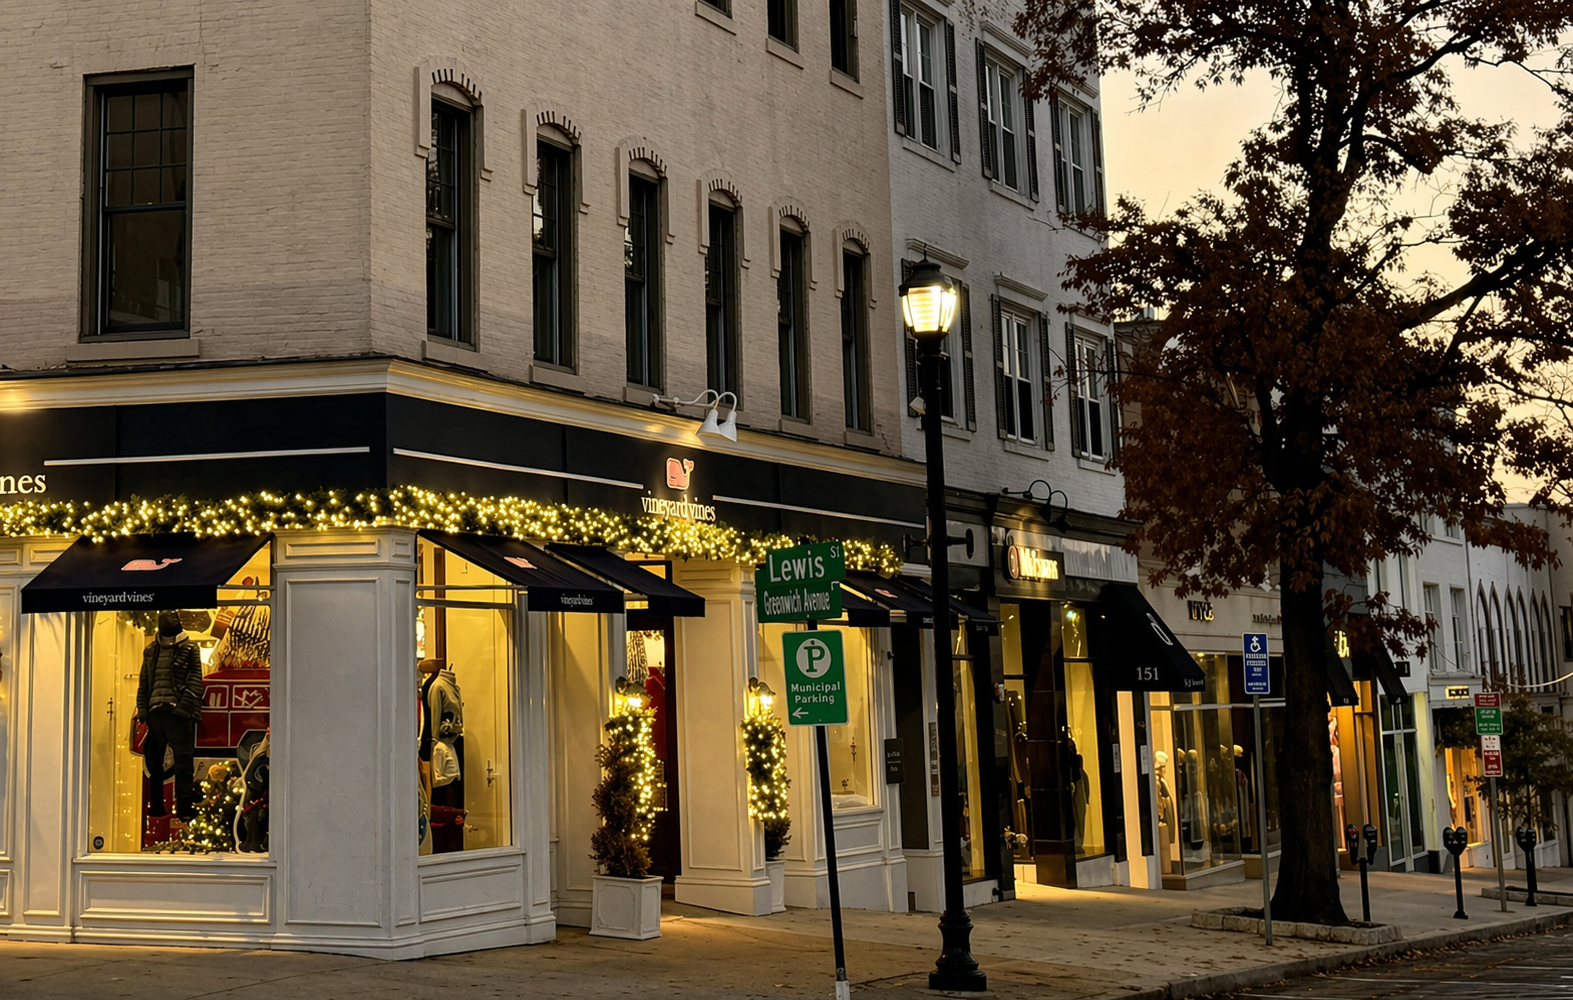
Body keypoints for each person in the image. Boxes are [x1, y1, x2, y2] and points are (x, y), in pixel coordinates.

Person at [136, 610, 204, 821]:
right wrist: (185, 707)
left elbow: (144, 684)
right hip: (173, 712)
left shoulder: (151, 650)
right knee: (181, 762)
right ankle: (181, 809)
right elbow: (195, 679)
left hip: (161, 711)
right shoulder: (188, 648)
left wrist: (143, 710)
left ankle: (158, 808)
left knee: (157, 764)